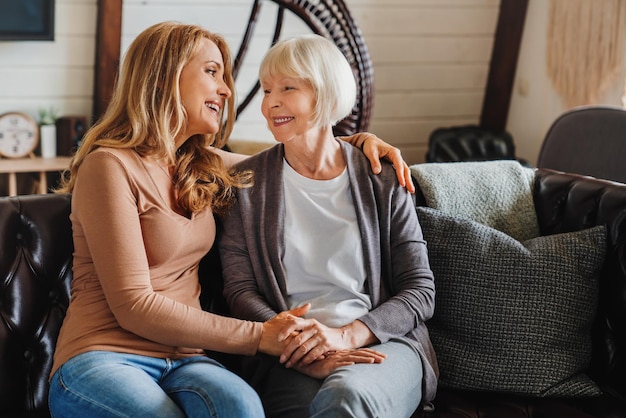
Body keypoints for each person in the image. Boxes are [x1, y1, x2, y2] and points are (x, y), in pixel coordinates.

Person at [47, 22, 414, 418]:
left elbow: (302, 159)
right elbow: (134, 305)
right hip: (103, 355)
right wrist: (263, 336)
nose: (225, 90)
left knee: (242, 406)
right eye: (211, 72)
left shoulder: (202, 163)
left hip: (186, 361)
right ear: (164, 75)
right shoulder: (109, 166)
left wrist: (359, 146)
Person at [218, 34, 438, 418]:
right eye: (267, 88)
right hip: (291, 354)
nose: (271, 102)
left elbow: (420, 291)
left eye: (288, 87)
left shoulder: (381, 178)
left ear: (324, 92)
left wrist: (345, 334)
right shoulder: (248, 184)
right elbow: (240, 289)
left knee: (345, 399)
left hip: (382, 344)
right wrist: (295, 340)